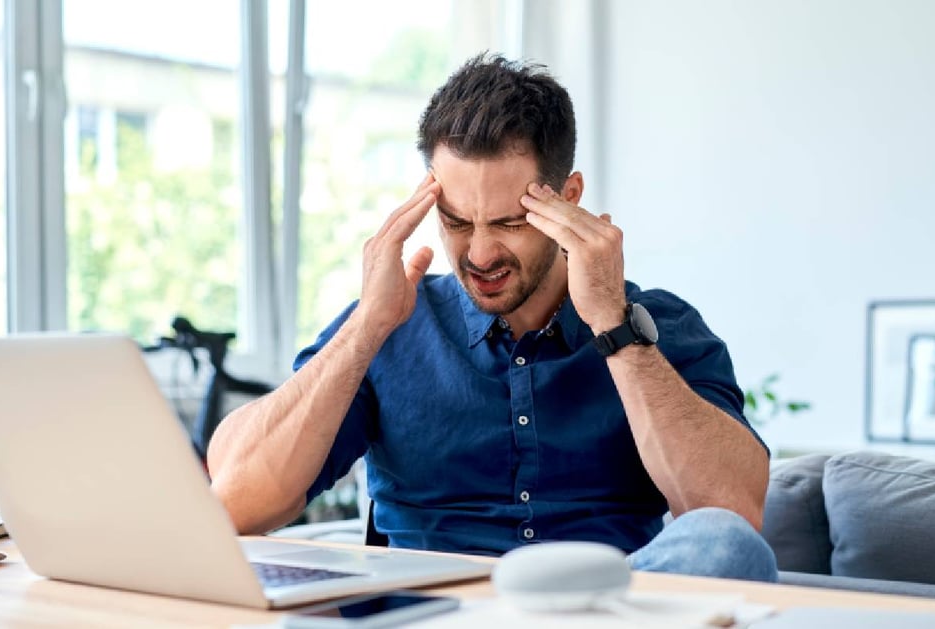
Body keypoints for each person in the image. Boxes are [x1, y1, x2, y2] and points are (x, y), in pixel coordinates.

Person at [208, 54, 777, 581]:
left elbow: (730, 514)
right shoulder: (393, 321)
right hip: (430, 612)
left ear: (569, 198)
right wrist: (366, 330)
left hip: (600, 610)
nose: (479, 255)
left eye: (508, 223)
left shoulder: (659, 325)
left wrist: (613, 324)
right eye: (456, 222)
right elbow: (235, 501)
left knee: (725, 545)